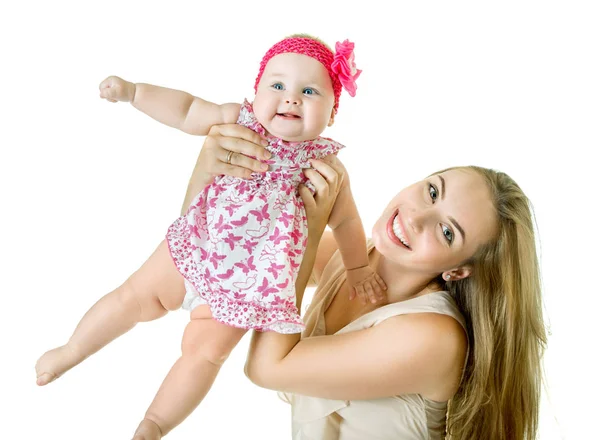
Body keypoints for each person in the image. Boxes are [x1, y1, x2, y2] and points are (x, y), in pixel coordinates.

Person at [34, 34, 386, 439]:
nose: (291, 99)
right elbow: (185, 110)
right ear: (255, 93)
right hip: (194, 249)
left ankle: (155, 424)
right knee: (130, 298)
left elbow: (346, 224)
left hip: (247, 288)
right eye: (277, 86)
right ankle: (72, 350)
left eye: (309, 91)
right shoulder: (238, 121)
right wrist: (134, 93)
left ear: (333, 112)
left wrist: (358, 268)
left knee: (204, 355)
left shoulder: (326, 169)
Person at [191, 126, 547, 439]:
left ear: (457, 271)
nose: (416, 218)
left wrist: (310, 231)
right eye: (433, 192)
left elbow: (267, 368)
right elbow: (212, 254)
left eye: (446, 231)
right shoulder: (357, 258)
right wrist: (209, 171)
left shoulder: (433, 338)